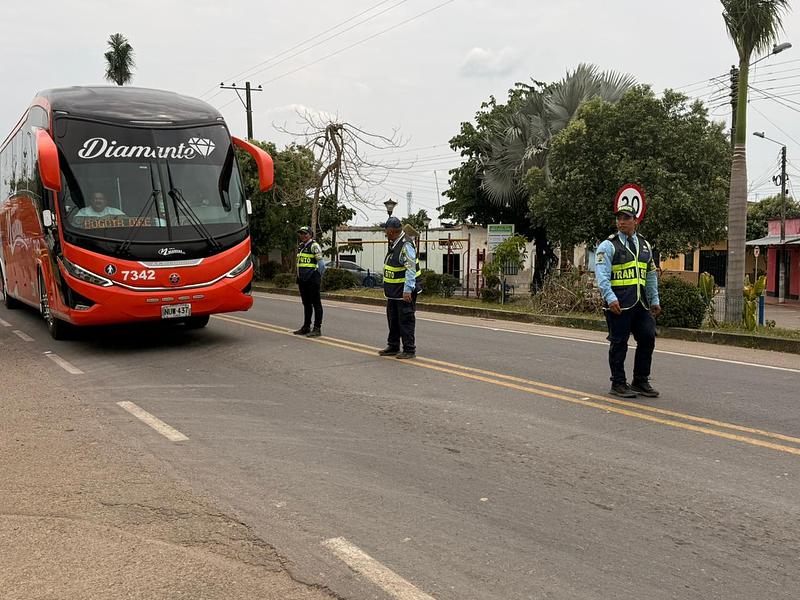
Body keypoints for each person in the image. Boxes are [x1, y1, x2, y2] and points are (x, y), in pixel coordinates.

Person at [594, 204, 661, 398]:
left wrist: (654, 299)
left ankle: (640, 380)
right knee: (619, 343)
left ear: (635, 221)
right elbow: (602, 274)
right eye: (619, 218)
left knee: (648, 338)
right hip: (618, 304)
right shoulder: (608, 245)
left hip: (640, 304)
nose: (621, 222)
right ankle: (618, 383)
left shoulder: (645, 245)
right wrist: (609, 297)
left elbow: (650, 275)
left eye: (626, 218)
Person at [378, 217, 421, 359]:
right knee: (393, 319)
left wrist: (408, 289)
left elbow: (410, 269)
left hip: (404, 292)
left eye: (386, 230)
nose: (385, 232)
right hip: (393, 292)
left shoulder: (405, 244)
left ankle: (409, 349)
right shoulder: (395, 243)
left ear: (391, 231)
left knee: (406, 320)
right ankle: (393, 345)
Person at [293, 226, 325, 337]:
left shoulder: (314, 246)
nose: (302, 235)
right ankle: (306, 326)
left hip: (312, 279)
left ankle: (317, 328)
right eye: (301, 233)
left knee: (316, 304)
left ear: (310, 235)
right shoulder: (301, 246)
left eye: (305, 233)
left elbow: (321, 264)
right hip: (302, 280)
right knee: (306, 304)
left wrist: (317, 277)